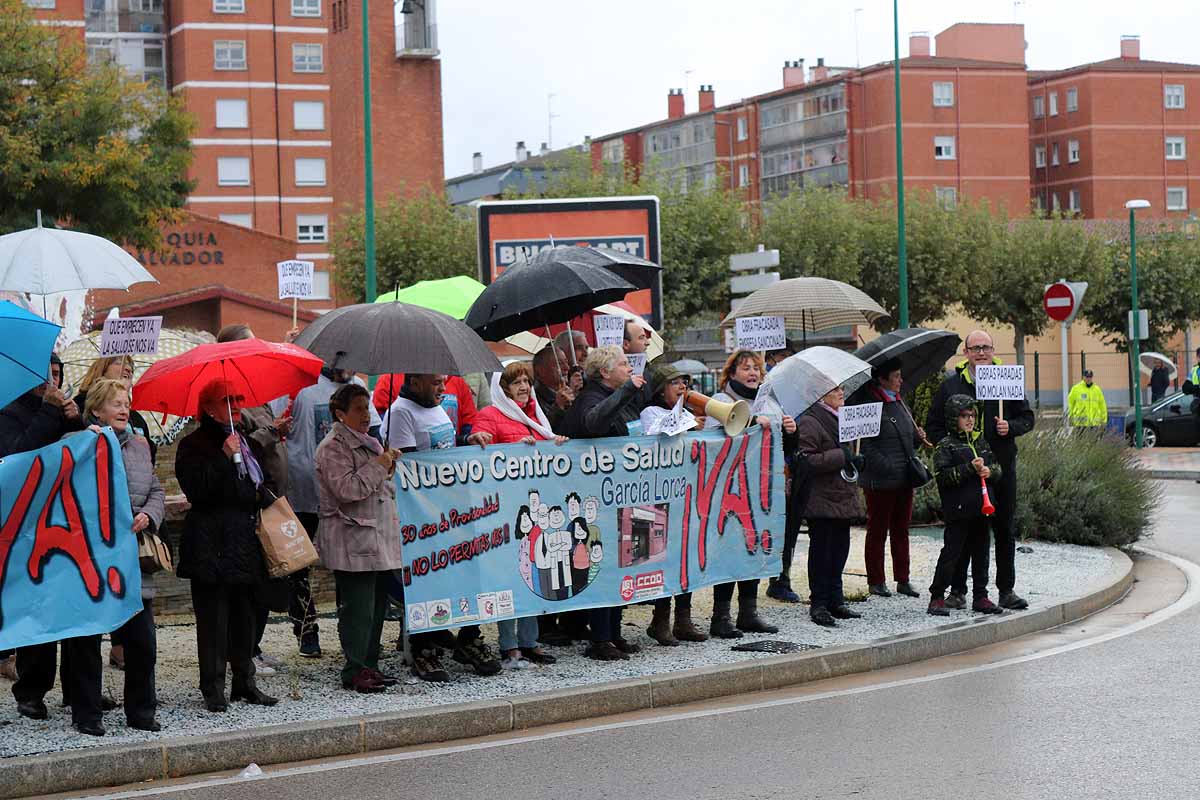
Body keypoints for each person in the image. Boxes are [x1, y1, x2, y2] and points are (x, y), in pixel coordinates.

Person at [388, 374, 501, 680]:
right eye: (435, 382)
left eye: (442, 381)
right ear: (414, 382)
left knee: (469, 572)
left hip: (453, 506)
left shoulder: (434, 405)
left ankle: (468, 637)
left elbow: (444, 446)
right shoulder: (401, 412)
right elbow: (410, 467)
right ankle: (424, 647)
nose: (442, 388)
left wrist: (468, 441)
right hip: (426, 514)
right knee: (430, 578)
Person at [175, 379, 279, 712]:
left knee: (245, 618)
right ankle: (213, 688)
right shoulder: (193, 445)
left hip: (244, 542)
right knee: (214, 620)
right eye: (227, 400)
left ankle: (244, 682)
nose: (235, 405)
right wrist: (223, 458)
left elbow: (256, 486)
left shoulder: (245, 441)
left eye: (237, 399)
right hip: (211, 544)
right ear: (208, 407)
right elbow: (198, 490)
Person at [216, 324, 309, 668]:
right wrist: (273, 432)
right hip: (252, 504)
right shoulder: (229, 401)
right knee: (252, 586)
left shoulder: (256, 393)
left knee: (269, 583)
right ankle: (241, 652)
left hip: (272, 501)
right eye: (249, 344)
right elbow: (245, 446)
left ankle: (252, 647)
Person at [925, 331, 1035, 611]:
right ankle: (958, 590)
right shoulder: (952, 385)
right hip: (967, 474)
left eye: (986, 347)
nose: (982, 352)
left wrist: (1010, 427)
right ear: (966, 352)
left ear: (993, 349)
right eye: (976, 348)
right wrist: (951, 450)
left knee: (1004, 530)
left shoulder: (1006, 380)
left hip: (1002, 468)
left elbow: (1027, 418)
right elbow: (934, 425)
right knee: (965, 531)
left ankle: (1006, 590)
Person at [80, 379, 165, 732]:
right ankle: (87, 715)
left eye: (125, 401)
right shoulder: (79, 447)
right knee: (86, 641)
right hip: (93, 559)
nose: (123, 407)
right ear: (96, 409)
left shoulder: (141, 446)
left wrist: (149, 514)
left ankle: (141, 712)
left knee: (142, 641)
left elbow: (157, 488)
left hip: (132, 559)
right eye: (115, 402)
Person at [468, 362, 565, 668]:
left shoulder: (536, 416)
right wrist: (480, 440)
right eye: (516, 382)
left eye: (527, 381)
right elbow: (478, 439)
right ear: (502, 388)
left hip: (535, 512)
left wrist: (556, 444)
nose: (524, 387)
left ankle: (529, 641)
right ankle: (508, 644)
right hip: (504, 514)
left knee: (533, 576)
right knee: (508, 579)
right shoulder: (491, 414)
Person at [4, 354, 84, 715]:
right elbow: (17, 456)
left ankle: (78, 687)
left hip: (66, 521)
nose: (51, 380)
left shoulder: (64, 409)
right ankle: (31, 690)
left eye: (56, 374)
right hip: (28, 527)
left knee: (73, 607)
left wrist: (76, 422)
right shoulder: (8, 411)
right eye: (45, 374)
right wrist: (50, 413)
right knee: (38, 609)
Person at [284, 363, 381, 657]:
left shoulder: (358, 388)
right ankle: (306, 630)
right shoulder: (302, 388)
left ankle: (348, 634)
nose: (343, 364)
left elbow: (372, 434)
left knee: (347, 571)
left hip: (346, 501)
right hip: (303, 492)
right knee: (299, 568)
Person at [314, 383, 404, 693]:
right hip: (352, 538)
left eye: (368, 408)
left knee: (376, 606)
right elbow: (348, 490)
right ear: (341, 414)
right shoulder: (332, 448)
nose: (367, 415)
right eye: (359, 409)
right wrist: (380, 465)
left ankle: (370, 664)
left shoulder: (368, 442)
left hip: (374, 536)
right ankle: (354, 668)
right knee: (357, 609)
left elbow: (376, 485)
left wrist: (387, 465)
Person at [561, 346, 646, 661]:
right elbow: (594, 423)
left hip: (618, 496)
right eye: (623, 364)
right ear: (605, 372)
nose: (629, 368)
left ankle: (614, 632)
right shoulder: (590, 399)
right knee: (601, 565)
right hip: (594, 499)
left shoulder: (621, 398)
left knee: (621, 563)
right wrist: (626, 391)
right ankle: (599, 638)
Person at [704, 350, 793, 635]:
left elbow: (783, 449)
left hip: (761, 490)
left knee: (754, 549)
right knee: (730, 551)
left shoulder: (769, 404)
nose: (753, 373)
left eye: (756, 368)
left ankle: (748, 612)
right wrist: (753, 423)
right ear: (731, 374)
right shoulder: (720, 401)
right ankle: (720, 617)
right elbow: (714, 441)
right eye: (745, 368)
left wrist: (791, 430)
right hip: (730, 491)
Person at [639, 360, 707, 646]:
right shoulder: (650, 412)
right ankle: (660, 618)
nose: (683, 388)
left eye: (685, 383)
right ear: (661, 389)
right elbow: (660, 432)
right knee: (663, 557)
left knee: (685, 558)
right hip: (660, 494)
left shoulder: (689, 414)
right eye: (675, 383)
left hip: (685, 494)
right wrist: (690, 424)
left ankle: (683, 618)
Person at [927, 395, 1004, 616]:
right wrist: (969, 468)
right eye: (963, 416)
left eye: (972, 415)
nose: (969, 420)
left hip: (982, 509)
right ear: (954, 419)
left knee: (981, 554)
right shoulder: (946, 446)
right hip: (958, 511)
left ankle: (981, 596)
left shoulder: (981, 442)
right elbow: (942, 477)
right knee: (951, 554)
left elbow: (998, 468)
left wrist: (991, 472)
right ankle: (937, 597)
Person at [796, 384, 865, 628]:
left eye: (841, 388)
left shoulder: (842, 419)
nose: (841, 392)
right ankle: (819, 603)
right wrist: (841, 456)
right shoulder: (811, 421)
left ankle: (836, 598)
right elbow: (807, 460)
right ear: (820, 394)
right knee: (822, 552)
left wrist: (855, 459)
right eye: (834, 389)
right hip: (822, 498)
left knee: (839, 550)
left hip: (841, 495)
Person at [859, 359, 924, 599]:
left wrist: (916, 438)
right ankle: (876, 580)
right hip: (881, 480)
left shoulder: (899, 402)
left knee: (901, 529)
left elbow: (905, 437)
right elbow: (864, 444)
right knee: (877, 530)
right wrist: (884, 465)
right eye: (896, 376)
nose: (901, 380)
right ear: (882, 379)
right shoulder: (869, 404)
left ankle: (903, 578)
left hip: (903, 477)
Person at [73, 354, 157, 464]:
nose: (128, 369)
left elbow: (148, 467)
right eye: (118, 363)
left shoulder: (136, 418)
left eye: (131, 367)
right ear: (102, 370)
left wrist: (146, 447)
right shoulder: (78, 406)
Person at [373, 372, 478, 443]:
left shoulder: (433, 403)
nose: (443, 388)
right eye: (437, 383)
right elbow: (408, 461)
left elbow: (442, 443)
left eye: (443, 381)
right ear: (416, 383)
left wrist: (466, 439)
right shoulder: (399, 413)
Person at [532, 345, 575, 433]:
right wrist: (558, 406)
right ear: (540, 370)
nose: (567, 368)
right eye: (559, 363)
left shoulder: (570, 391)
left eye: (566, 362)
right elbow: (542, 430)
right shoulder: (532, 399)